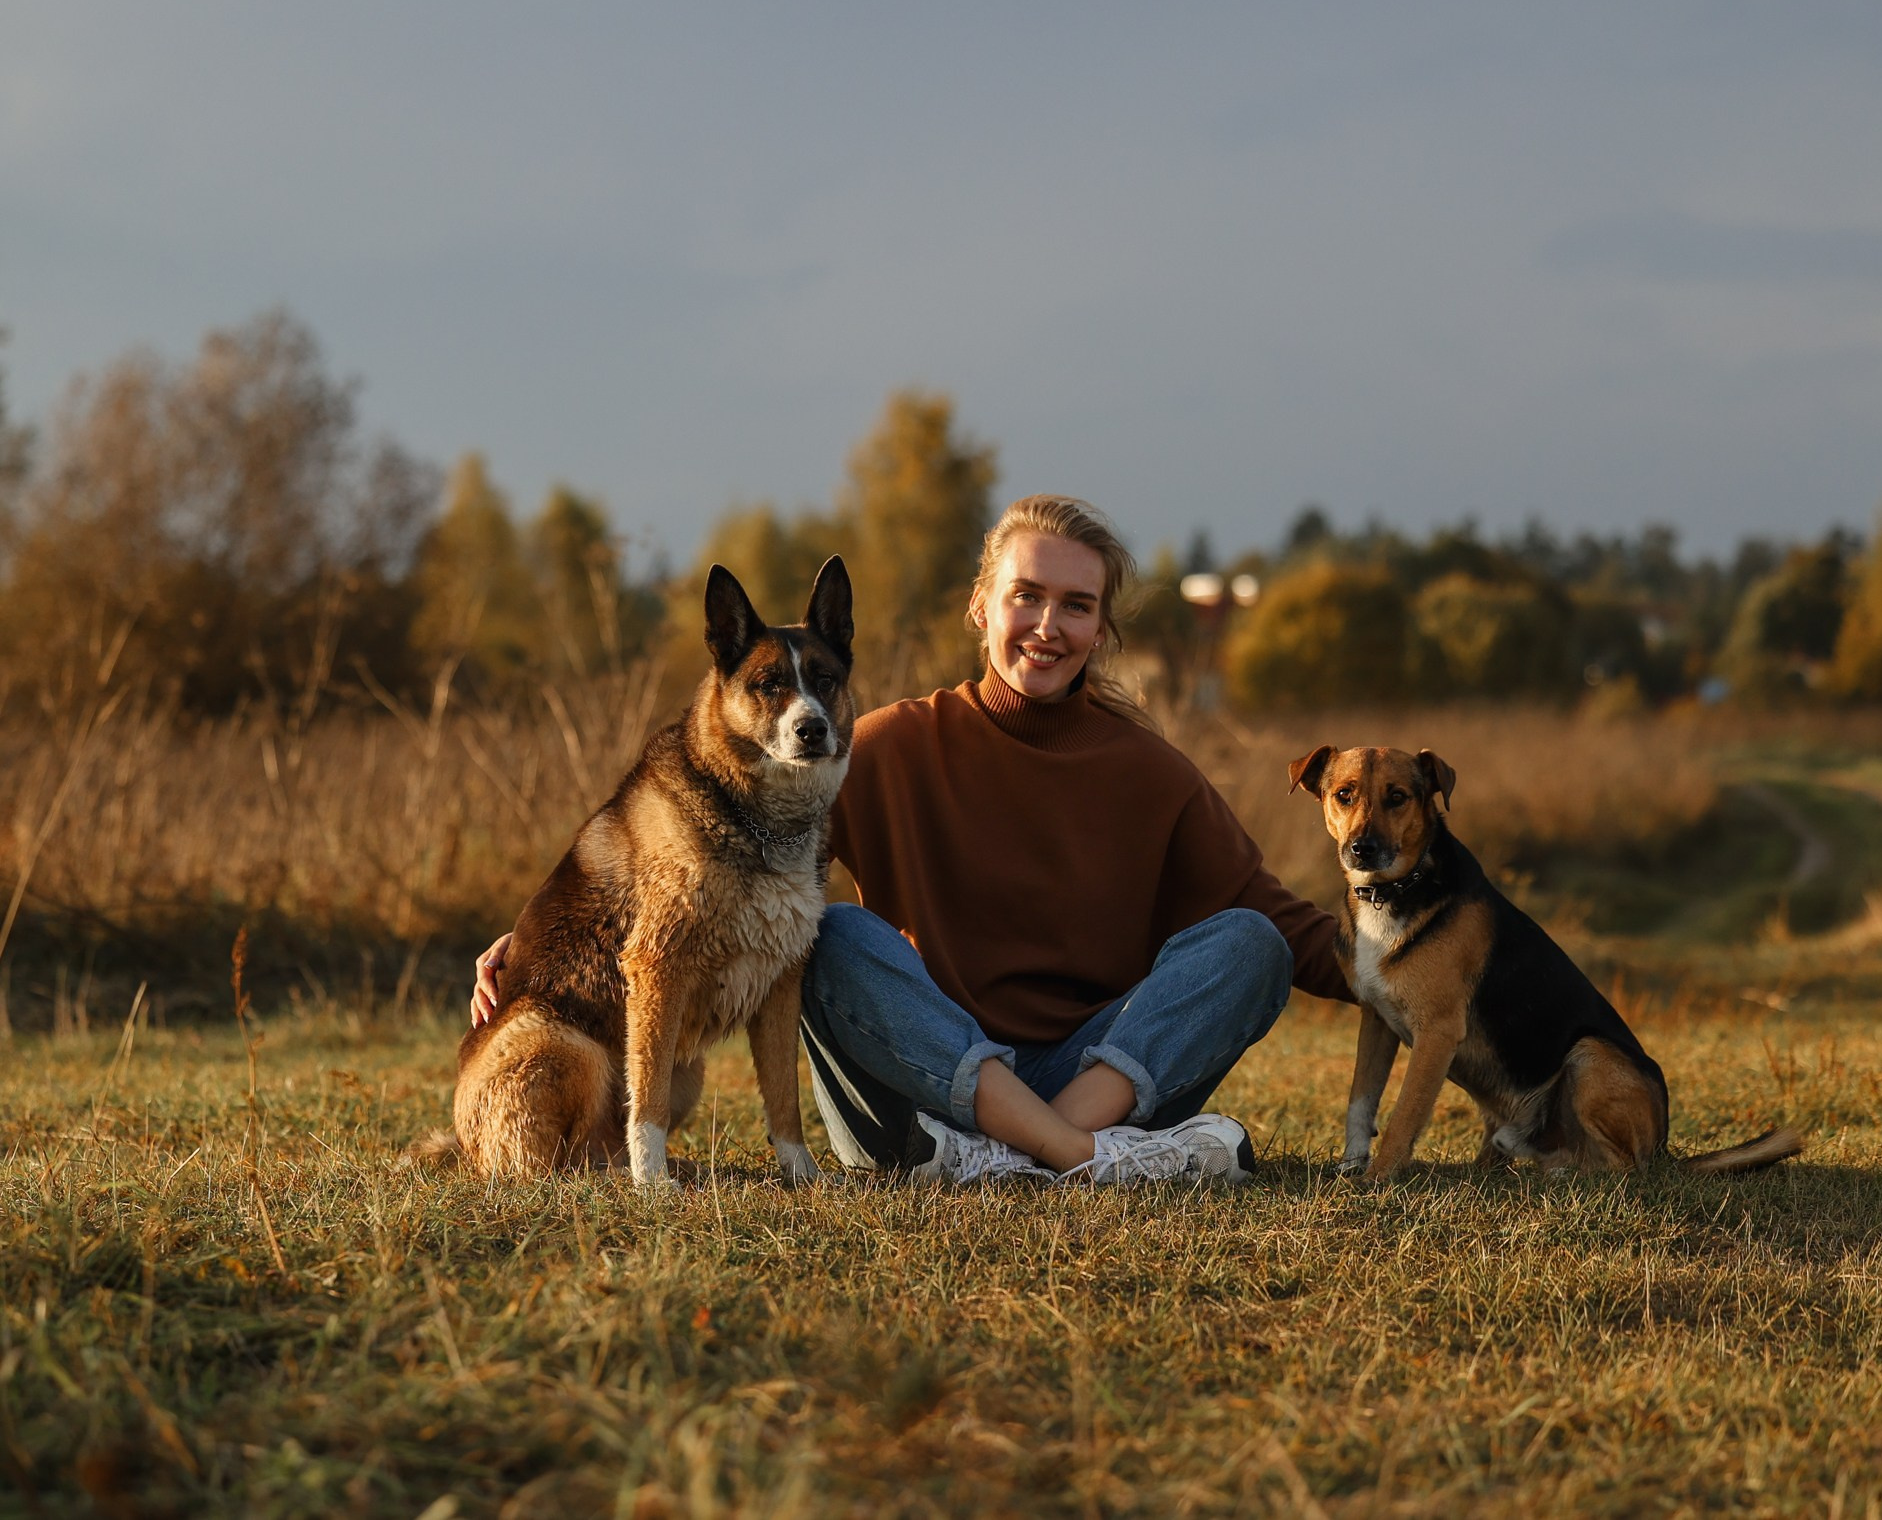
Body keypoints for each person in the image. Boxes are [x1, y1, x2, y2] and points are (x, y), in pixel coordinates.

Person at [472, 495, 1353, 1184]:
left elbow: (1278, 919)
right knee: (842, 935)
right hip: (922, 1085)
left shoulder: (1152, 773)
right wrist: (550, 939)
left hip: (1091, 1071)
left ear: (1100, 628)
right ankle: (1084, 1162)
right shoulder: (877, 747)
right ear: (981, 607)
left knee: (1250, 945)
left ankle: (1037, 1159)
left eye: (1076, 606)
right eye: (1027, 597)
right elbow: (708, 855)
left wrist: (1450, 969)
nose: (1049, 626)